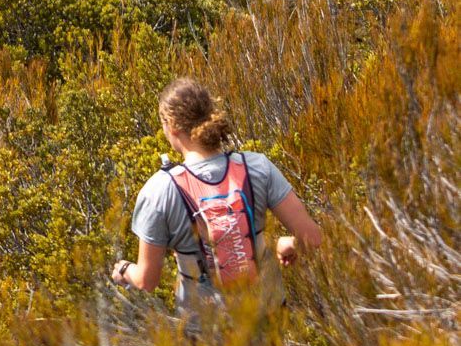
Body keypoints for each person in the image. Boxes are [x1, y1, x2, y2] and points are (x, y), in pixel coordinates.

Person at [112, 77, 322, 303]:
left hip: (205, 322)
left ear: (171, 125)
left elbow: (146, 280)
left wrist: (124, 270)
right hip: (269, 315)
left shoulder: (159, 191)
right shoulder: (257, 167)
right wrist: (287, 243)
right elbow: (313, 238)